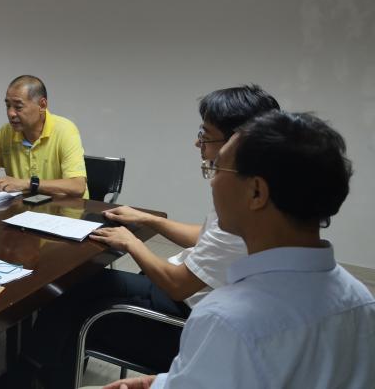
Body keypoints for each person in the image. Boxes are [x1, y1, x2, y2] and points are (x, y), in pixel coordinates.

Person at [24, 85, 280, 388]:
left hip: (180, 316)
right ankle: (32, 372)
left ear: (238, 141)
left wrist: (132, 243)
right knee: (78, 288)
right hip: (184, 296)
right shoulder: (258, 195)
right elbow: (207, 236)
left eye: (206, 135)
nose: (198, 143)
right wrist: (150, 220)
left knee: (70, 302)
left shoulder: (245, 209)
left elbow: (177, 285)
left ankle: (29, 375)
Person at [103, 110, 374, 389]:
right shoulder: (361, 299)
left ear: (256, 192)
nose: (212, 181)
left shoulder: (227, 319)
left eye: (218, 169)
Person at [0, 75, 86, 197]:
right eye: (8, 106)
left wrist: (27, 183)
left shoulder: (65, 130)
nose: (11, 113)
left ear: (42, 105)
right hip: (25, 208)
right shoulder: (6, 132)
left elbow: (77, 186)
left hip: (66, 210)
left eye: (18, 107)